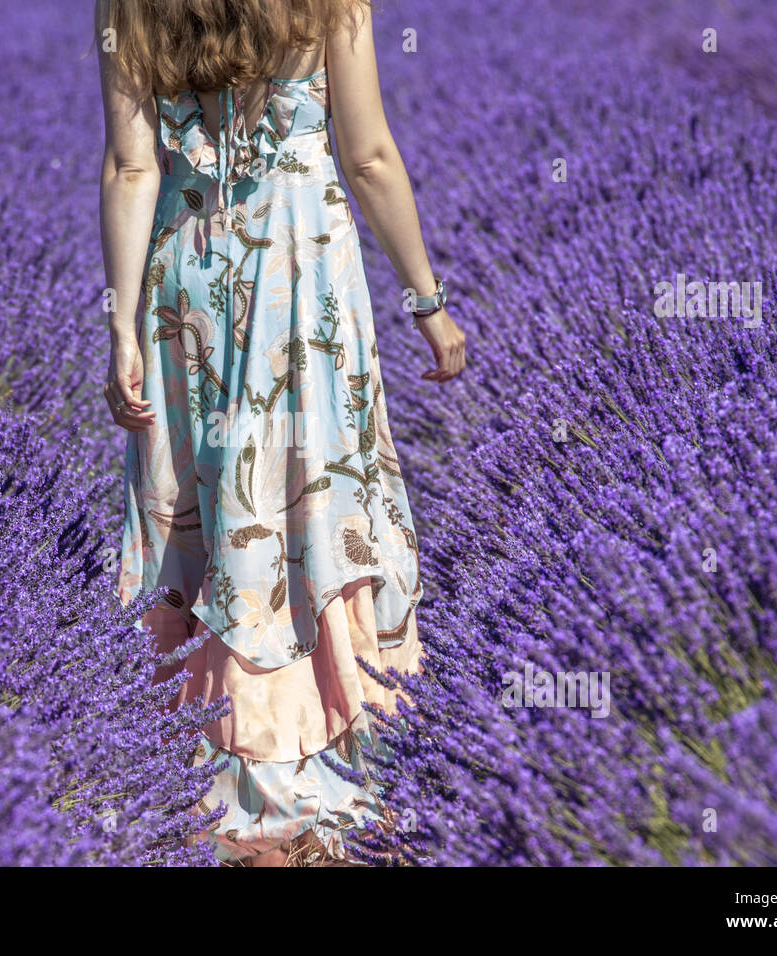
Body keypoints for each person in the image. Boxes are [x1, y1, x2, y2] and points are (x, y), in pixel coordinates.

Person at [95, 0, 465, 866]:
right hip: (300, 279)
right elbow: (368, 157)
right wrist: (428, 301)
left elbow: (131, 168)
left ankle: (215, 755)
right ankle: (330, 748)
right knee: (311, 496)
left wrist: (120, 328)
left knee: (217, 503)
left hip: (189, 278)